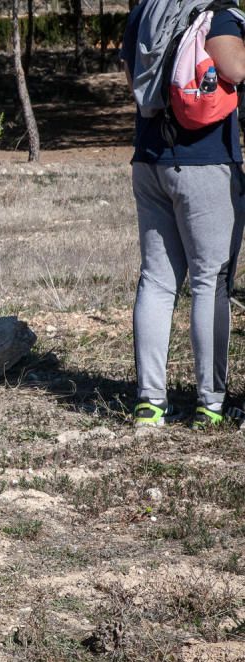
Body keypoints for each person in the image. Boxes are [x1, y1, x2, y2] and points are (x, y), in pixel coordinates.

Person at [122, 2, 245, 428]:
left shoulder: (143, 12)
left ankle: (149, 402)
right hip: (205, 162)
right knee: (211, 279)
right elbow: (234, 68)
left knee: (156, 280)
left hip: (150, 160)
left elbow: (135, 82)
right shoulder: (217, 12)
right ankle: (209, 404)